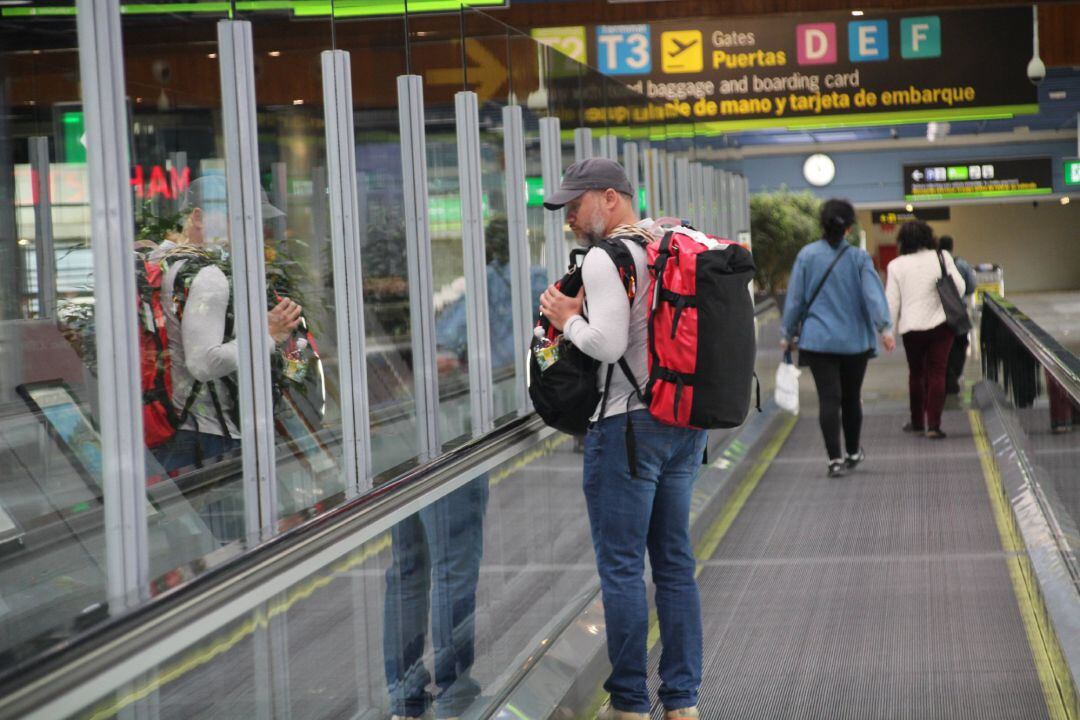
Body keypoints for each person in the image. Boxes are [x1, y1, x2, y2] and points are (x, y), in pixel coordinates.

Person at [539, 158, 704, 720]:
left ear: (609, 198)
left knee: (622, 569)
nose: (570, 220)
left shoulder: (609, 258)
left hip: (626, 428)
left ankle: (630, 703)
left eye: (576, 206)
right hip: (683, 423)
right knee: (676, 565)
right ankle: (681, 702)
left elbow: (606, 345)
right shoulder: (671, 242)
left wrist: (565, 319)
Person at [150, 175, 302, 473]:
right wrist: (268, 335)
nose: (254, 231)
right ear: (198, 217)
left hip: (170, 424)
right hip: (209, 435)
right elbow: (205, 363)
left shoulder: (162, 261)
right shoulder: (208, 277)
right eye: (240, 219)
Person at [780, 199, 895, 478]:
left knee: (828, 399)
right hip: (855, 341)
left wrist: (787, 333)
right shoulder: (858, 258)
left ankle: (834, 459)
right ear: (850, 228)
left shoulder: (807, 256)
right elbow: (873, 296)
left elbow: (795, 299)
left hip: (818, 341)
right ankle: (854, 451)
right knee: (851, 398)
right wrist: (885, 329)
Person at [885, 220, 965, 439]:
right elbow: (960, 286)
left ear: (903, 241)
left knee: (917, 374)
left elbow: (891, 302)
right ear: (929, 237)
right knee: (937, 372)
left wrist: (887, 333)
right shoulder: (941, 257)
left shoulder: (896, 265)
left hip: (912, 328)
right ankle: (934, 426)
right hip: (941, 325)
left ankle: (918, 422)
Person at [937, 235, 975, 395]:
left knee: (943, 346)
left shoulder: (934, 265)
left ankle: (945, 376)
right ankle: (953, 375)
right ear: (952, 246)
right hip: (957, 311)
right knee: (960, 343)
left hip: (939, 313)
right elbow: (971, 286)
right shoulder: (961, 264)